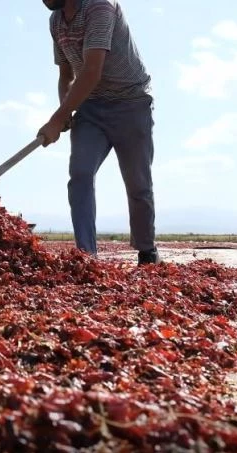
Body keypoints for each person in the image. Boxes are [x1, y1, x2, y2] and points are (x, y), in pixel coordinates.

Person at [37, 0, 160, 265]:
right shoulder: (55, 21)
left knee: (137, 182)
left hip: (131, 102)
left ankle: (147, 251)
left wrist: (57, 119)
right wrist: (65, 111)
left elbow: (92, 71)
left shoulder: (100, 6)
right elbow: (66, 75)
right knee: (80, 173)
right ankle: (86, 256)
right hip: (90, 106)